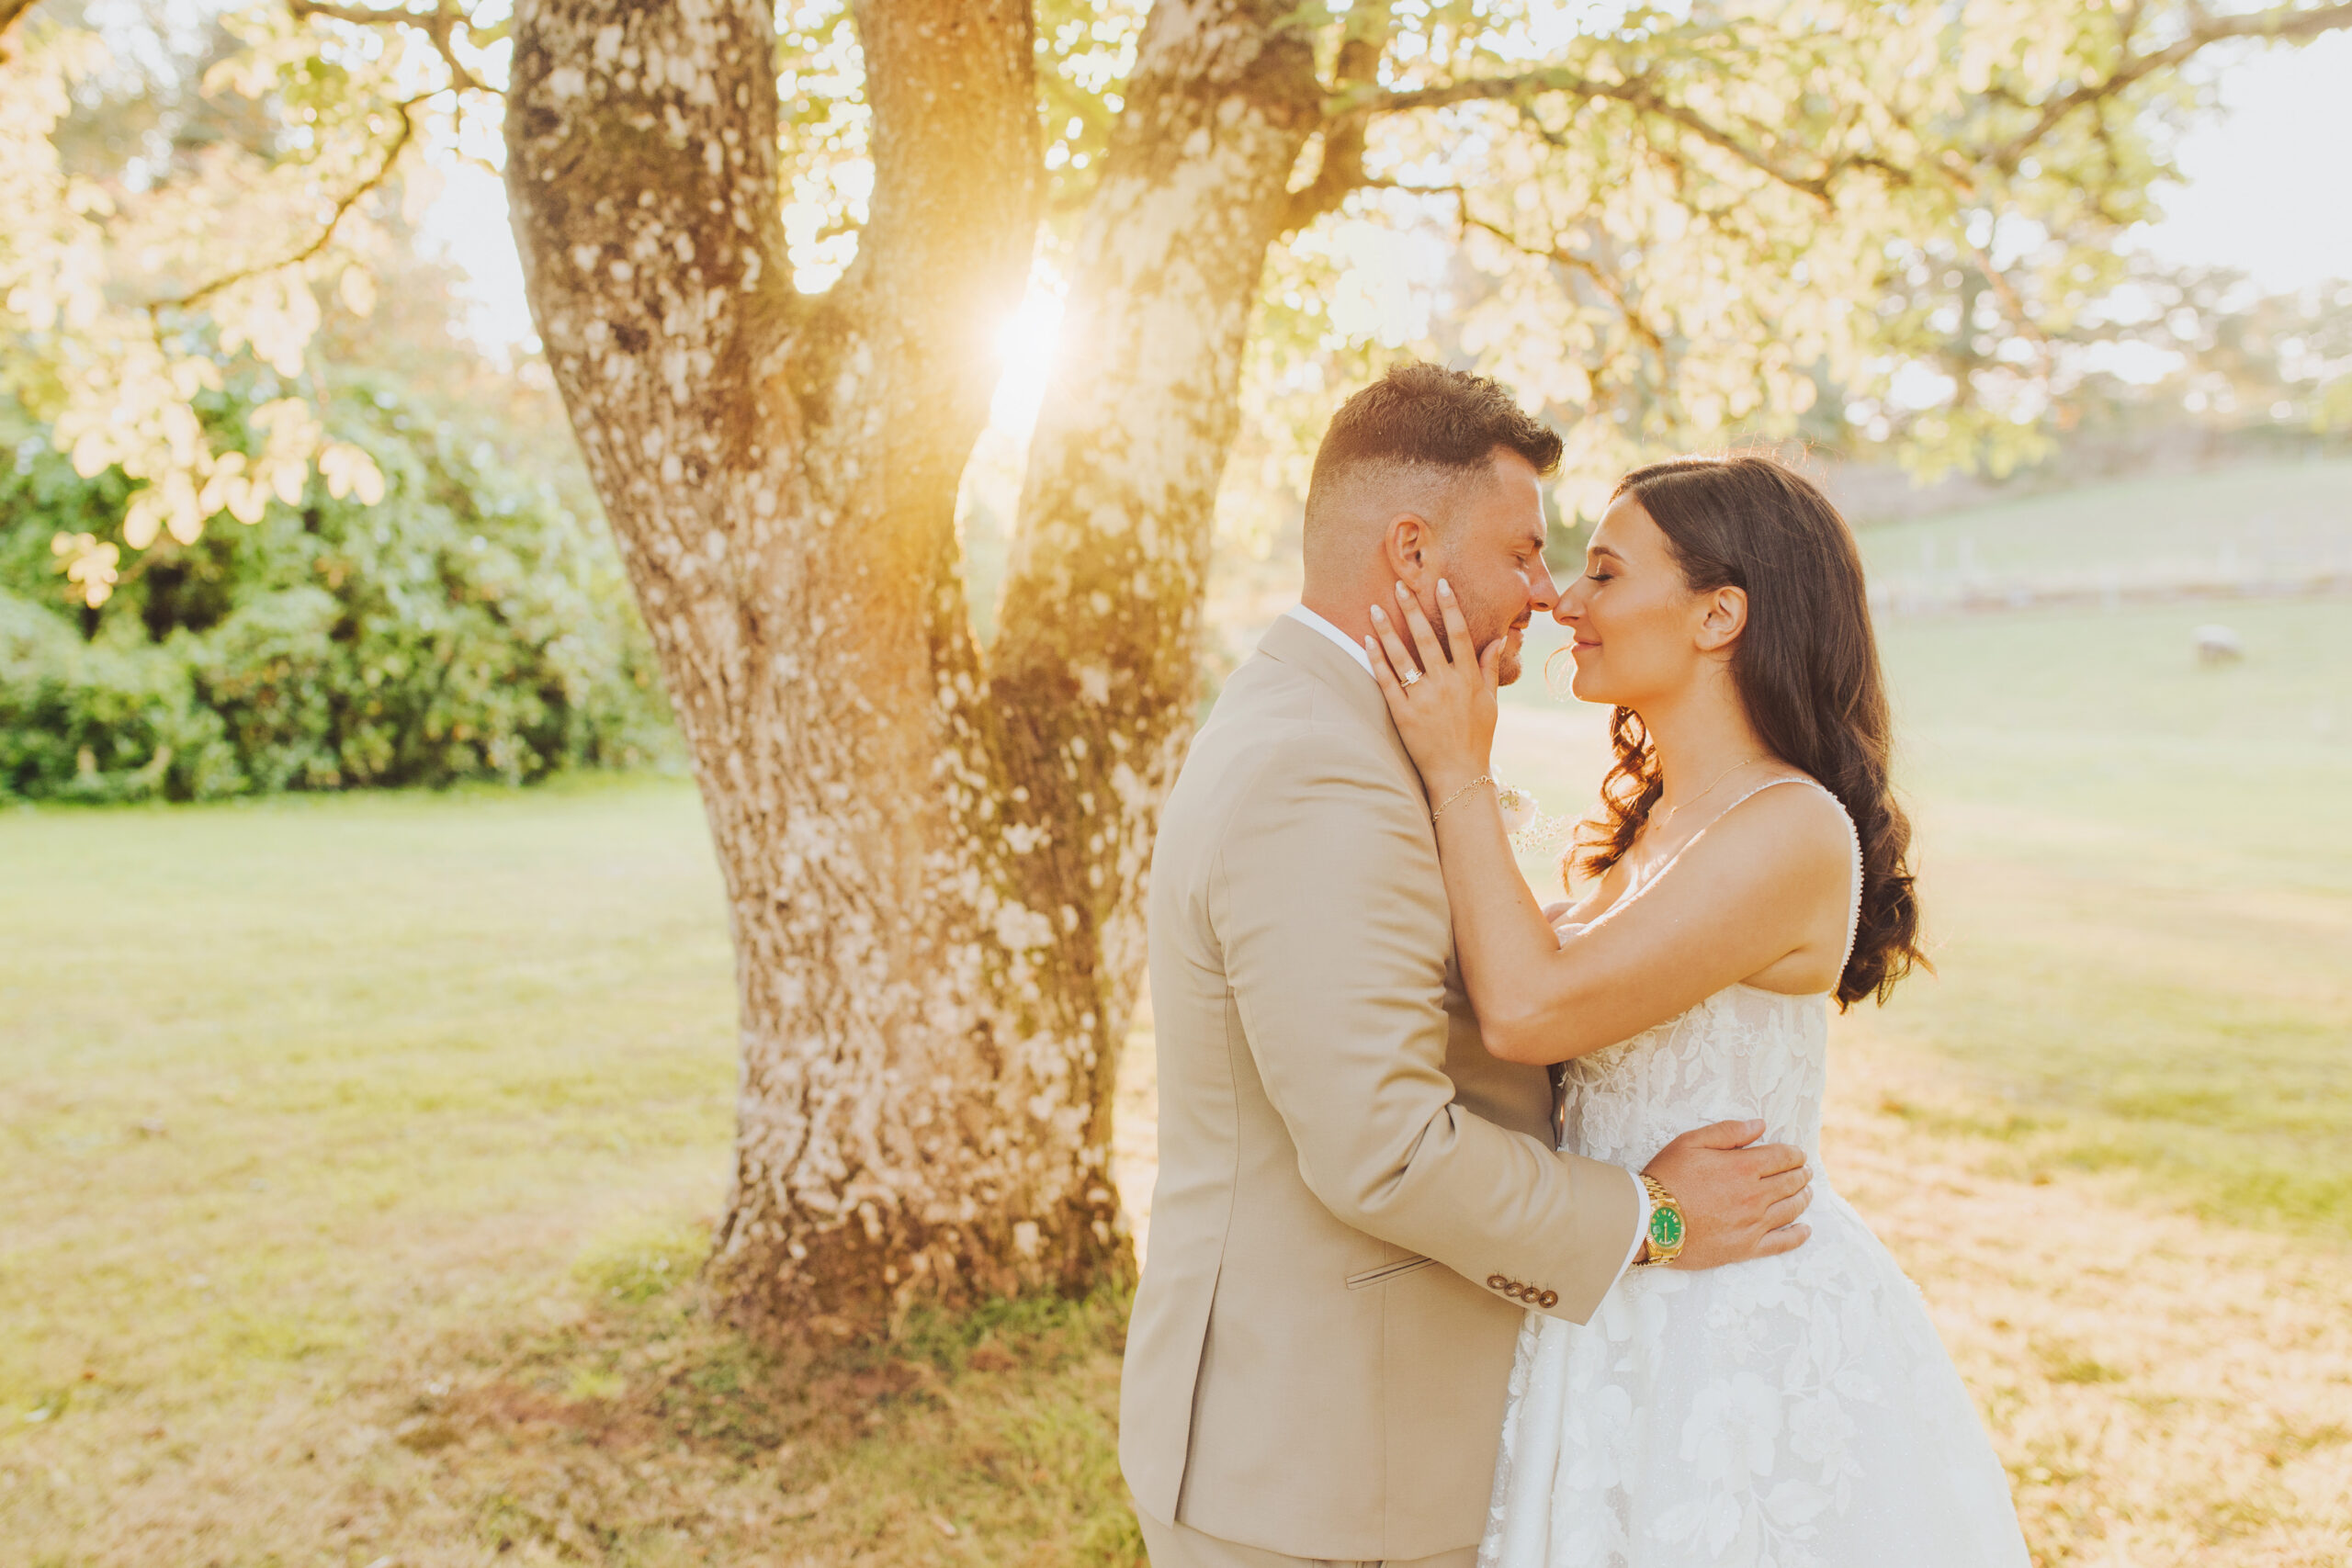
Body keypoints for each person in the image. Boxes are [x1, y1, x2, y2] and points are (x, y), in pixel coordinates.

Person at [1120, 367, 1818, 1568]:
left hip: (1379, 1437)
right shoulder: (1320, 769)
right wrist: (1650, 1213)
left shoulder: (1337, 725)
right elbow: (1383, 1148)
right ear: (1408, 550)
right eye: (1525, 554)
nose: (1546, 599)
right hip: (1325, 1472)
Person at [1365, 452, 2030, 1566]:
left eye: (1605, 574)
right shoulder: (1657, 824)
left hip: (1727, 1343)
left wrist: (1457, 768)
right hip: (1617, 1294)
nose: (1563, 604)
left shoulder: (1790, 831)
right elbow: (1507, 963)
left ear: (1718, 614)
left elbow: (1529, 1010)